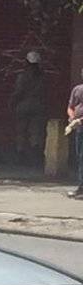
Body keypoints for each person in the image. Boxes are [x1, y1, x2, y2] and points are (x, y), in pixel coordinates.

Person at [11, 51, 47, 164]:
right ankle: (35, 155)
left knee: (21, 131)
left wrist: (12, 102)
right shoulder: (42, 77)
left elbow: (18, 91)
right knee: (36, 131)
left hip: (23, 105)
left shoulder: (22, 76)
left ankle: (20, 154)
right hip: (38, 105)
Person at [67, 69, 83, 199]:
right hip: (78, 129)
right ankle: (81, 186)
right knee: (80, 157)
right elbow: (71, 106)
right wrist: (73, 119)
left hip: (80, 124)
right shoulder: (77, 89)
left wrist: (80, 120)